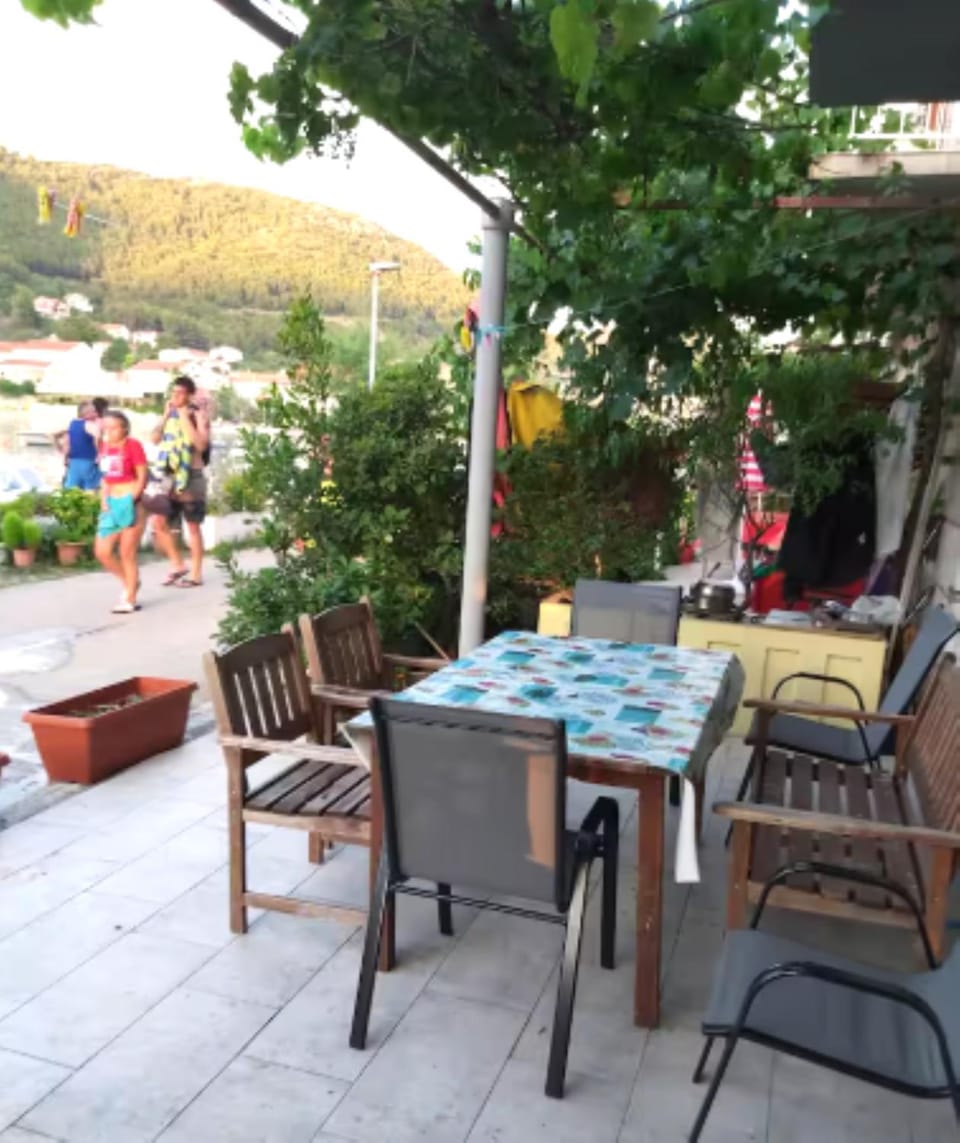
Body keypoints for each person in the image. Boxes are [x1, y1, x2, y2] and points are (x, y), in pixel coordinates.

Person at [149, 376, 211, 588]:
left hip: (191, 476)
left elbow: (200, 445)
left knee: (192, 526)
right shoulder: (170, 415)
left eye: (180, 393)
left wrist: (184, 417)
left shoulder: (198, 415)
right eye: (173, 392)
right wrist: (166, 415)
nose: (175, 396)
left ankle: (196, 573)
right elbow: (154, 439)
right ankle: (177, 564)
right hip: (169, 475)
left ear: (190, 395)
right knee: (158, 521)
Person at [95, 410, 148, 614]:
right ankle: (130, 582)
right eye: (106, 427)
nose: (109, 431)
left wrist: (132, 499)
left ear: (124, 428)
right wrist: (104, 499)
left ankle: (130, 598)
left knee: (127, 552)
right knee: (103, 551)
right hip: (111, 501)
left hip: (129, 501)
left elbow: (142, 476)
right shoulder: (105, 447)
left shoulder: (133, 445)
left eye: (113, 427)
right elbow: (105, 477)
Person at [62, 402, 102, 490]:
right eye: (94, 412)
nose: (96, 414)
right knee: (90, 489)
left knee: (71, 490)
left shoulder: (72, 424)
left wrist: (65, 458)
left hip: (74, 462)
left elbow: (66, 443)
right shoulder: (89, 424)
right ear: (87, 413)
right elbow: (98, 436)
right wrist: (99, 453)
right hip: (88, 461)